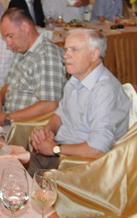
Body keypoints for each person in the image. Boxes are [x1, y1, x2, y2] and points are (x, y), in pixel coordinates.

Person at [28, 29, 130, 175]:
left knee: (15, 178)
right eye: (66, 49)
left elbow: (98, 149)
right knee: (12, 165)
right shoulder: (75, 79)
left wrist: (55, 149)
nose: (65, 55)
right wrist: (48, 131)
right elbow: (61, 114)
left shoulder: (104, 91)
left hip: (80, 165)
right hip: (62, 151)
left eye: (74, 50)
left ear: (94, 55)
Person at [0, 8, 66, 126]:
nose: (8, 44)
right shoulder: (21, 49)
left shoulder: (47, 55)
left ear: (25, 28)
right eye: (6, 38)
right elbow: (10, 83)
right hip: (11, 120)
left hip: (28, 128)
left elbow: (50, 105)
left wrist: (7, 118)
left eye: (10, 36)